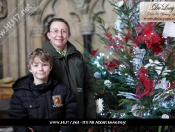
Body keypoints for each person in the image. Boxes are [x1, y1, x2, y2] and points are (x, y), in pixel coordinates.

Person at [43, 18, 96, 132]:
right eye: (55, 31)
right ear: (48, 35)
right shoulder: (41, 57)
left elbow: (88, 88)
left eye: (64, 31)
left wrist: (90, 119)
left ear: (69, 35)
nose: (59, 35)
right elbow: (32, 91)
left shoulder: (77, 56)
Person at [8, 48, 78, 132]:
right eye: (36, 65)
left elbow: (71, 114)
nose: (40, 69)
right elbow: (17, 119)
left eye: (44, 65)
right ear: (30, 68)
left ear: (51, 67)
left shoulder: (63, 90)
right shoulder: (19, 94)